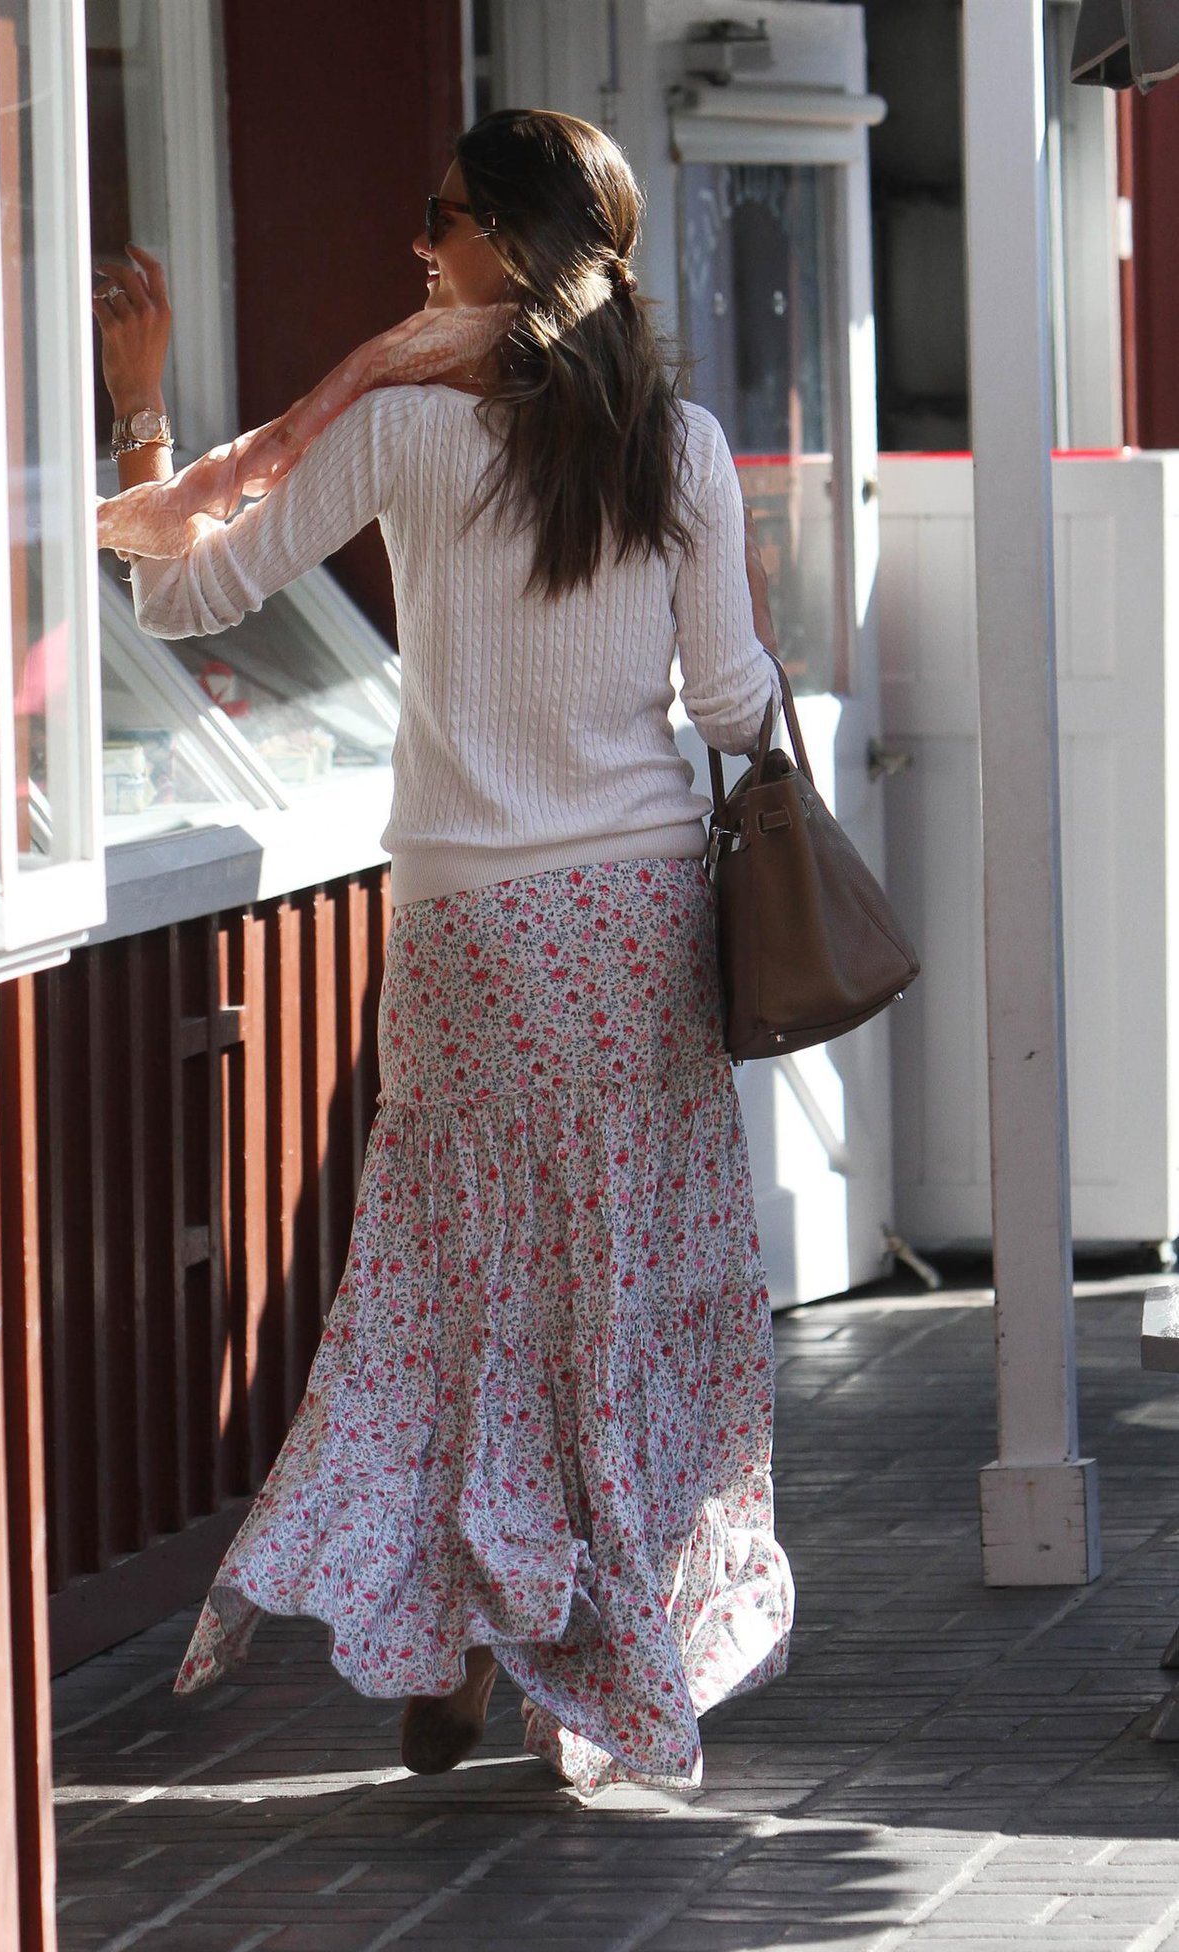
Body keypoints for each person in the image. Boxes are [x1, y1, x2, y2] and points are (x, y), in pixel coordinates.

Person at [92, 107, 794, 1797]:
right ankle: (595, 1653)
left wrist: (143, 417)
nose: (422, 247)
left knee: (462, 1296)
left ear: (516, 244)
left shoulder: (400, 433)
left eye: (447, 217)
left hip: (469, 932)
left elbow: (186, 595)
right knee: (612, 1297)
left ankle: (463, 1646)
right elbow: (728, 702)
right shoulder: (676, 446)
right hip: (634, 932)